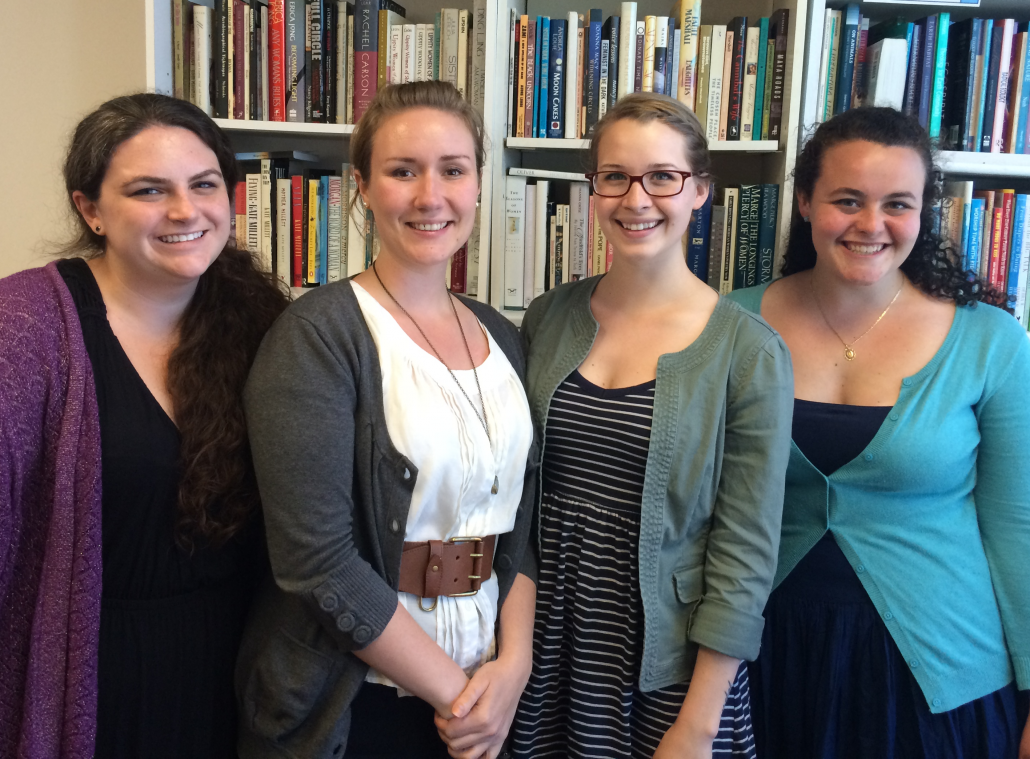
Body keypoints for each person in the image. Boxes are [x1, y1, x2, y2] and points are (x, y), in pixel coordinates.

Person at [236, 80, 538, 759]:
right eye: (403, 171)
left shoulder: (503, 335)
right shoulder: (315, 337)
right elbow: (317, 562)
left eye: (453, 170)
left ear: (479, 184)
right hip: (361, 698)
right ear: (363, 187)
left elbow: (522, 528)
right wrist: (458, 696)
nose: (431, 196)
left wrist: (512, 666)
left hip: (488, 687)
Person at [728, 106, 1030, 759]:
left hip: (939, 677)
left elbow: (1017, 530)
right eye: (847, 200)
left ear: (925, 212)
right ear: (805, 201)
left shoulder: (991, 342)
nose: (871, 224)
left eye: (898, 203)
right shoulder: (730, 324)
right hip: (760, 659)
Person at [0, 93, 289, 758]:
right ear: (91, 209)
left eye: (204, 184)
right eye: (149, 190)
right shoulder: (25, 328)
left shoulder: (262, 322)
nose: (186, 211)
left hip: (238, 677)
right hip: (92, 675)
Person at [509, 93, 794, 759]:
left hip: (666, 665)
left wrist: (698, 723)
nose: (636, 199)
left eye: (662, 177)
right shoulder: (547, 316)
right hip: (545, 643)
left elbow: (745, 551)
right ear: (594, 189)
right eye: (615, 176)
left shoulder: (748, 350)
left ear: (700, 191)